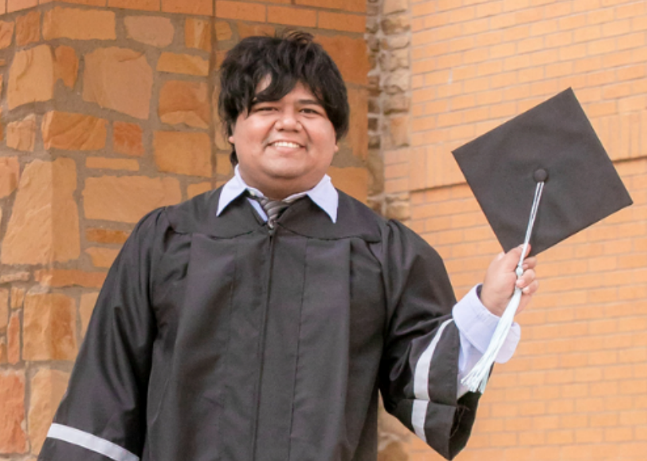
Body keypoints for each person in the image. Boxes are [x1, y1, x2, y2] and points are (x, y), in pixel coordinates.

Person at [39, 32, 537, 461]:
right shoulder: (168, 240)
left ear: (335, 135)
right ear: (232, 129)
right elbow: (103, 395)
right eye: (266, 109)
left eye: (309, 110)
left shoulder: (383, 251)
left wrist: (487, 307)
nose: (288, 123)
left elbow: (422, 379)